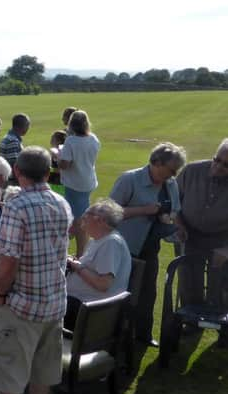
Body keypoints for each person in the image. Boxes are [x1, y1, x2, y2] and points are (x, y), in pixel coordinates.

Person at [0, 146, 72, 394]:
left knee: (9, 375)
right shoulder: (62, 203)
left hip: (22, 305)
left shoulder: (16, 205)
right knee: (43, 373)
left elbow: (8, 260)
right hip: (54, 302)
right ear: (48, 172)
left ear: (17, 172)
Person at [110, 142, 187, 347]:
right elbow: (108, 213)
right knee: (122, 292)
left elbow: (175, 210)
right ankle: (115, 335)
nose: (173, 174)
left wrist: (172, 221)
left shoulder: (170, 184)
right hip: (125, 247)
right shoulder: (130, 180)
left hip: (150, 247)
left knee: (148, 293)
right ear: (156, 162)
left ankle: (142, 335)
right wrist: (143, 210)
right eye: (171, 169)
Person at [176, 139, 228, 344]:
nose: (219, 167)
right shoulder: (191, 171)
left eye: (226, 166)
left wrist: (226, 250)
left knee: (223, 284)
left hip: (222, 237)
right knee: (189, 279)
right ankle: (191, 321)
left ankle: (224, 327)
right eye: (217, 160)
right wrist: (179, 224)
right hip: (189, 234)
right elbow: (174, 201)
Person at [64, 199, 132, 330]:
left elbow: (103, 284)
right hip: (79, 302)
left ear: (101, 220)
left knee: (44, 304)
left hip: (91, 309)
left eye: (87, 213)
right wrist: (74, 263)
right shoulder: (98, 240)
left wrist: (76, 267)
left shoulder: (111, 243)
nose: (82, 217)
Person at [58, 110, 101, 257]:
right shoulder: (93, 139)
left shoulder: (71, 141)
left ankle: (81, 253)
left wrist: (57, 156)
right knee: (80, 216)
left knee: (79, 220)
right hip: (88, 181)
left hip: (74, 184)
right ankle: (80, 250)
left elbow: (65, 164)